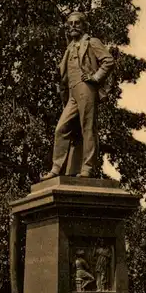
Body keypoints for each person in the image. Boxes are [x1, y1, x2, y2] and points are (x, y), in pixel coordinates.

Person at [41, 12, 114, 180]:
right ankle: (56, 168)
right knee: (62, 128)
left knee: (88, 128)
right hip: (72, 92)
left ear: (83, 25)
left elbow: (108, 61)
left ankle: (87, 168)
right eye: (70, 23)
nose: (73, 26)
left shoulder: (92, 42)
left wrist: (95, 77)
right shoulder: (69, 47)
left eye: (77, 23)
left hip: (86, 88)